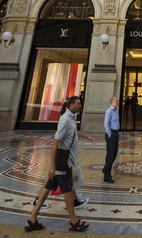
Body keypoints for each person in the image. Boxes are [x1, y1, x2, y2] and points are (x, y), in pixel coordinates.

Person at [24, 95, 95, 233]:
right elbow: (56, 141)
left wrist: (87, 137)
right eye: (78, 104)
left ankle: (32, 219)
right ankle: (74, 221)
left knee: (47, 188)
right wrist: (52, 165)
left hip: (64, 161)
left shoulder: (70, 119)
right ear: (72, 105)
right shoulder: (65, 120)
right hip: (62, 162)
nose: (80, 106)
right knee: (68, 190)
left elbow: (74, 132)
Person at [103, 97, 120, 183]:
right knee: (110, 155)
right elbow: (106, 123)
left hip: (115, 133)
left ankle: (105, 169)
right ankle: (107, 176)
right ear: (112, 102)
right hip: (111, 134)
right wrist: (109, 134)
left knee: (115, 152)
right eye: (116, 101)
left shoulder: (116, 110)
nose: (118, 102)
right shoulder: (109, 111)